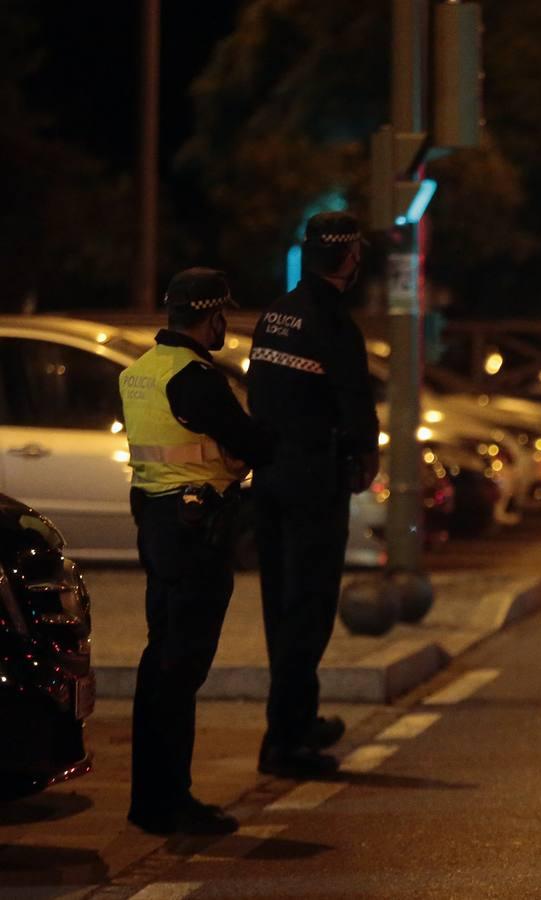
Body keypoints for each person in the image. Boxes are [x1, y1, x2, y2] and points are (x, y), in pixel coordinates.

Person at [120, 268, 273, 835]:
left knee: (159, 660)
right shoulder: (197, 377)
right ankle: (170, 802)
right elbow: (252, 441)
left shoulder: (139, 373)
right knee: (181, 670)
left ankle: (148, 799)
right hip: (196, 532)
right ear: (212, 316)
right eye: (223, 316)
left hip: (157, 525)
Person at [247, 211, 380, 778]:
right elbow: (355, 407)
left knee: (282, 607)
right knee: (309, 609)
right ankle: (287, 740)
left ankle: (296, 720)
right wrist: (363, 459)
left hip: (270, 478)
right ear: (350, 259)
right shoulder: (334, 325)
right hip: (312, 484)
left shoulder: (276, 314)